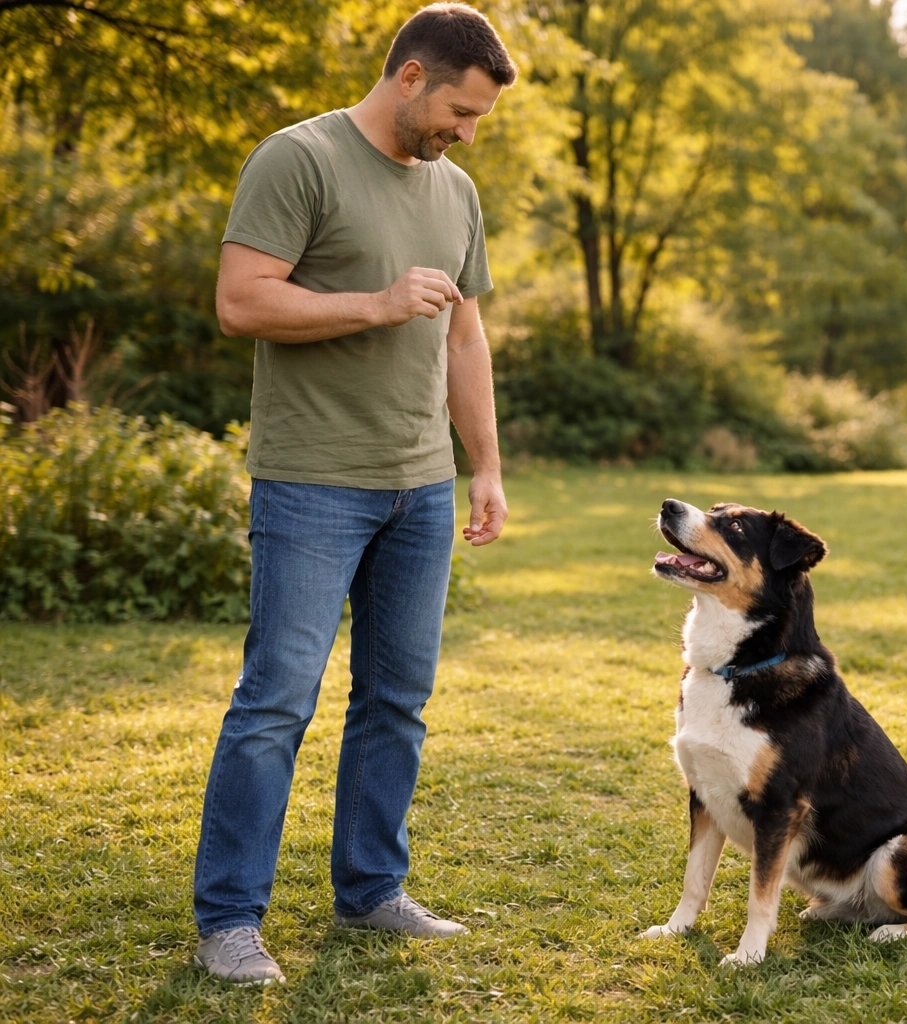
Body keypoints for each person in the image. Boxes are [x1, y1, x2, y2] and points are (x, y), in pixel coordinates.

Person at [191, 3, 516, 985]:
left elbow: (464, 334)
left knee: (397, 702)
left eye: (479, 120)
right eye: (459, 109)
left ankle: (372, 889)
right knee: (275, 703)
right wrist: (372, 303)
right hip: (312, 481)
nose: (466, 132)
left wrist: (485, 462)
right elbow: (242, 299)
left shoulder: (455, 191)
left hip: (418, 488)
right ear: (410, 76)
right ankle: (228, 921)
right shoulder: (299, 159)